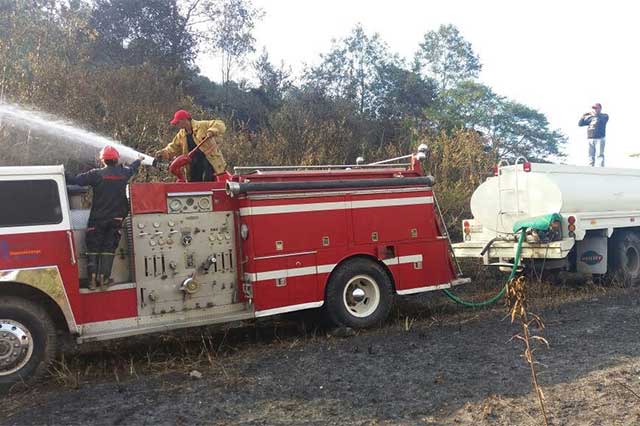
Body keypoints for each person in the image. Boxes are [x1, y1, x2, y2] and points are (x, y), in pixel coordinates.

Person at [66, 146, 142, 290]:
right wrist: (138, 160)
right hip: (116, 219)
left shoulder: (96, 174)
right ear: (116, 159)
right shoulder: (123, 173)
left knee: (93, 247)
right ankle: (104, 279)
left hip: (97, 219)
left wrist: (63, 172)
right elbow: (132, 168)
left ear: (103, 160)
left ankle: (92, 281)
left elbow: (76, 180)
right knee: (109, 247)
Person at [154, 110, 227, 182]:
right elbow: (174, 147)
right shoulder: (181, 134)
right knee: (193, 184)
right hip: (193, 165)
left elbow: (220, 124)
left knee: (207, 181)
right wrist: (164, 152)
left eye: (178, 122)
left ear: (184, 120)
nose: (177, 125)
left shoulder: (202, 125)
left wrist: (212, 131)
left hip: (209, 162)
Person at [579, 103, 609, 167]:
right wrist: (583, 116)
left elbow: (602, 120)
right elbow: (580, 124)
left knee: (599, 154)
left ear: (600, 109)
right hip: (590, 138)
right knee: (590, 155)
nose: (594, 110)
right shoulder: (590, 118)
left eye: (596, 108)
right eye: (593, 108)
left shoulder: (604, 116)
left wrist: (595, 115)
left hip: (599, 138)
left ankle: (601, 168)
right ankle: (591, 167)